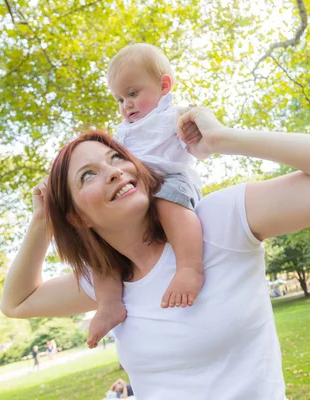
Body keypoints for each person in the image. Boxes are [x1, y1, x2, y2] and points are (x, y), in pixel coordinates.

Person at [0, 106, 310, 398]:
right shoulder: (105, 282)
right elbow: (16, 303)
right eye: (88, 174)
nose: (113, 170)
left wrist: (225, 139)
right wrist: (41, 222)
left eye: (116, 157)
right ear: (78, 218)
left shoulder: (221, 221)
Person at [85, 43, 205, 348]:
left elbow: (201, 126)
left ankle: (189, 268)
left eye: (133, 93)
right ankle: (109, 302)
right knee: (100, 238)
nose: (127, 105)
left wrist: (196, 131)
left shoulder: (174, 114)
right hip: (138, 190)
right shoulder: (122, 131)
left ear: (164, 86)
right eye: (120, 99)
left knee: (167, 202)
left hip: (171, 182)